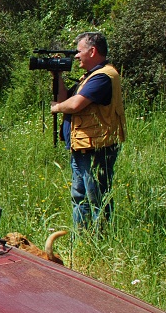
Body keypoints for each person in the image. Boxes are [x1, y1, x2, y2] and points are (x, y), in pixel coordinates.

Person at [51, 31, 125, 229]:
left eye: (79, 51)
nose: (76, 56)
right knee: (80, 197)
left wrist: (57, 108)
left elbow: (74, 104)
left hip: (96, 149)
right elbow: (65, 98)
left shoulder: (104, 77)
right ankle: (82, 238)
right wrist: (57, 75)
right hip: (82, 146)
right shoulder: (89, 77)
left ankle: (101, 237)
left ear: (92, 51)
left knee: (96, 198)